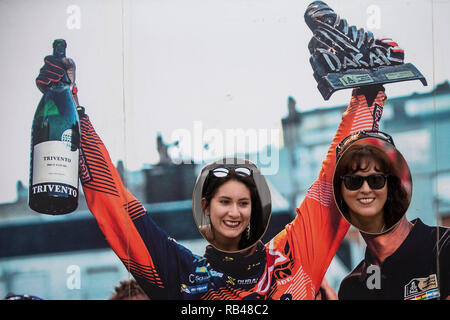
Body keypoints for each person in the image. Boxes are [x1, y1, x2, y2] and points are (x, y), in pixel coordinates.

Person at [35, 49, 388, 299]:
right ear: (206, 209)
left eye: (243, 203)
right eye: (224, 202)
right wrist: (70, 104)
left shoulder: (295, 256)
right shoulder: (181, 274)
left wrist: (366, 90)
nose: (234, 212)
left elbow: (334, 181)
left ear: (258, 211)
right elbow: (116, 208)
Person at [333, 131, 450, 300]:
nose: (365, 189)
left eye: (376, 180)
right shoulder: (352, 289)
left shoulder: (444, 249)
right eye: (353, 181)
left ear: (394, 187)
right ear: (342, 198)